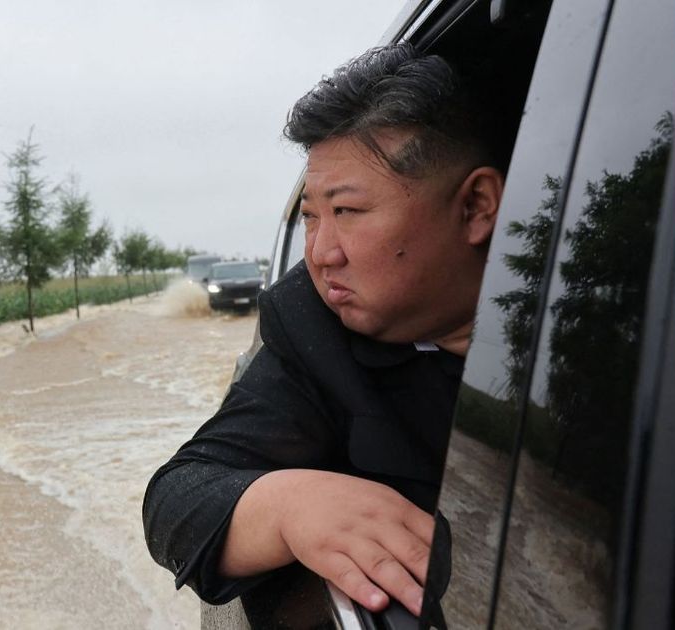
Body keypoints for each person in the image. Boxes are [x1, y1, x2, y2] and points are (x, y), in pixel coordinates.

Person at [142, 43, 505, 621]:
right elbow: (177, 501)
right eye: (311, 216)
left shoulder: (606, 332)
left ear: (476, 207)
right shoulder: (313, 328)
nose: (319, 254)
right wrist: (286, 506)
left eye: (349, 212)